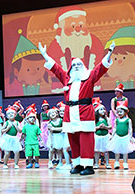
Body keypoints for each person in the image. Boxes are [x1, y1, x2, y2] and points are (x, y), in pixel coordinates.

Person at [38, 39, 116, 175]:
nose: (76, 67)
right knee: (73, 139)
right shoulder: (67, 78)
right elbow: (56, 68)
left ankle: (88, 166)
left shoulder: (89, 77)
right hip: (70, 112)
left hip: (84, 110)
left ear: (84, 66)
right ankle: (78, 164)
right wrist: (45, 55)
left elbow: (100, 68)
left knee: (86, 139)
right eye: (74, 65)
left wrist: (109, 53)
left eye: (79, 64)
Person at [107, 101, 135, 170]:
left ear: (125, 112)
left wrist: (130, 137)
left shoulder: (128, 120)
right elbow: (114, 128)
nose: (119, 113)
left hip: (125, 137)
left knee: (125, 151)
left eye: (121, 112)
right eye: (118, 112)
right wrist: (112, 136)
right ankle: (116, 162)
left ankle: (125, 163)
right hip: (117, 137)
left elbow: (130, 129)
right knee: (116, 151)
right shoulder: (116, 120)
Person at [93, 102, 112, 169]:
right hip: (97, 137)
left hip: (105, 136)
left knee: (106, 151)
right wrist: (98, 127)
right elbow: (93, 127)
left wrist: (105, 127)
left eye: (104, 109)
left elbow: (110, 127)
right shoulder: (95, 119)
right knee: (97, 151)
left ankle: (107, 163)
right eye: (101, 109)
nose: (103, 111)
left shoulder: (106, 118)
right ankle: (96, 163)